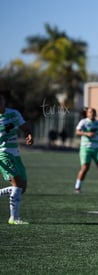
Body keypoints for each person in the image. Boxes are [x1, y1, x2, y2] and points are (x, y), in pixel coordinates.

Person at [0, 91, 33, 224]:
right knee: (17, 185)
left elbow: (25, 128)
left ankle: (14, 217)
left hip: (16, 154)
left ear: (4, 101)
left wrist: (29, 134)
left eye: (0, 99)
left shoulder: (14, 113)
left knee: (22, 188)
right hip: (3, 154)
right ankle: (14, 218)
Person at [74, 107, 98, 193]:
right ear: (87, 113)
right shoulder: (83, 122)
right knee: (85, 167)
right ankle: (77, 187)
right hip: (86, 148)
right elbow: (77, 132)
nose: (92, 113)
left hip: (97, 148)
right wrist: (86, 133)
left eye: (93, 112)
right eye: (90, 112)